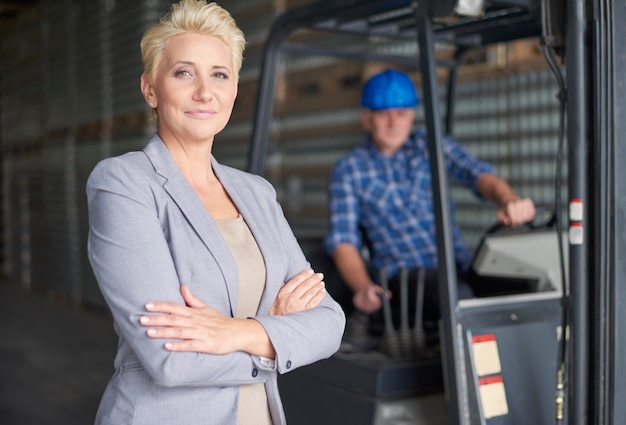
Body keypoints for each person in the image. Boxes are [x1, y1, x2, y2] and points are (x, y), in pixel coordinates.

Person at [86, 2, 345, 424]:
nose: (205, 92)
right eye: (183, 72)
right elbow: (171, 361)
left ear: (234, 89)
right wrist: (274, 335)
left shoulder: (256, 193)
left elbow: (330, 323)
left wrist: (238, 332)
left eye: (219, 75)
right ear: (150, 88)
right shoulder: (124, 183)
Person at [325, 68, 535, 326]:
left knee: (524, 288)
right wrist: (362, 286)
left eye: (401, 113)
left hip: (458, 265)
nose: (393, 123)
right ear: (367, 119)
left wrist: (508, 199)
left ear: (412, 116)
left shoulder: (431, 145)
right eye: (382, 114)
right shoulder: (350, 168)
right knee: (458, 298)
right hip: (404, 276)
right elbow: (343, 239)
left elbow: (476, 174)